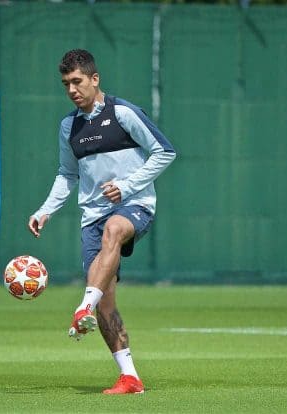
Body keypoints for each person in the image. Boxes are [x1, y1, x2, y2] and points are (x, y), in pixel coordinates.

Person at [27, 49, 176, 395]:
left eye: (77, 81)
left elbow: (164, 151)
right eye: (65, 84)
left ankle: (82, 307)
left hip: (134, 205)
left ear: (95, 79)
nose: (71, 89)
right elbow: (67, 173)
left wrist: (127, 186)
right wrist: (45, 210)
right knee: (106, 303)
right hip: (91, 217)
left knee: (115, 230)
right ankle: (130, 378)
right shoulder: (69, 126)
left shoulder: (122, 113)